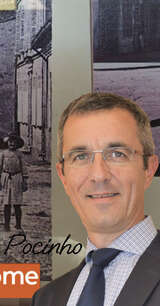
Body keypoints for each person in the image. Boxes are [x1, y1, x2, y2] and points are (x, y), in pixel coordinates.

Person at [32, 92, 159, 306]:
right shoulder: (46, 299)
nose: (99, 175)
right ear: (63, 176)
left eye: (117, 154)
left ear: (149, 169)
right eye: (80, 156)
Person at [0, 133, 28, 231]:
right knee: (6, 203)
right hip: (6, 178)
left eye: (14, 142)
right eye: (10, 142)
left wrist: (25, 181)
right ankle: (6, 225)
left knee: (17, 203)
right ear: (7, 143)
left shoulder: (19, 154)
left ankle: (18, 224)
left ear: (17, 144)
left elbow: (24, 168)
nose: (12, 144)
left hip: (17, 178)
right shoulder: (3, 154)